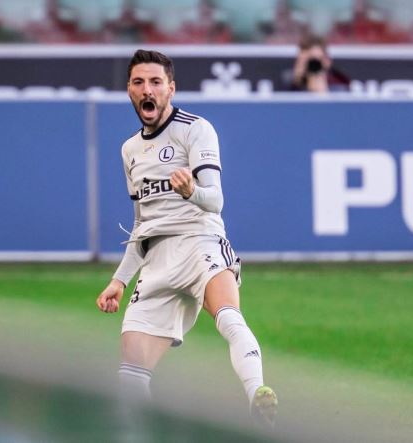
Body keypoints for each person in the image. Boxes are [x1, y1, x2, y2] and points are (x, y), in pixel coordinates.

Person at [95, 49, 277, 426]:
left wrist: (191, 191)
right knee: (131, 371)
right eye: (139, 82)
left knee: (228, 317)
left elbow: (216, 200)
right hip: (157, 260)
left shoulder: (195, 129)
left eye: (156, 82)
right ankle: (138, 432)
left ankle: (258, 398)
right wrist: (119, 280)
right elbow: (142, 223)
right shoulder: (129, 150)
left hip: (199, 241)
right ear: (129, 90)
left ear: (171, 89)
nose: (148, 89)